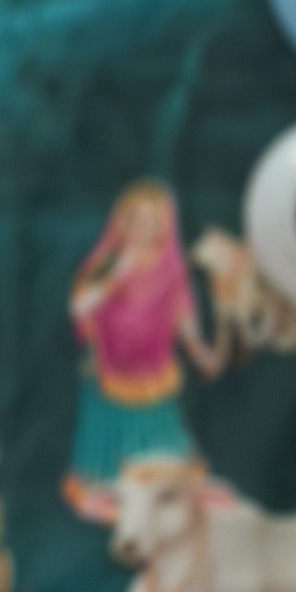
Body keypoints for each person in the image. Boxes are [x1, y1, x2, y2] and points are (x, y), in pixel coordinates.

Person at [61, 180, 225, 510]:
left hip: (153, 366)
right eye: (136, 219)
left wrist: (199, 352)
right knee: (107, 429)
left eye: (152, 220)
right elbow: (78, 307)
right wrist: (114, 276)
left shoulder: (169, 269)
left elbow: (183, 315)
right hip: (109, 364)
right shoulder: (108, 261)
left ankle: (163, 485)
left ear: (164, 226)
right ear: (122, 221)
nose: (143, 227)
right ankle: (105, 484)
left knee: (159, 428)